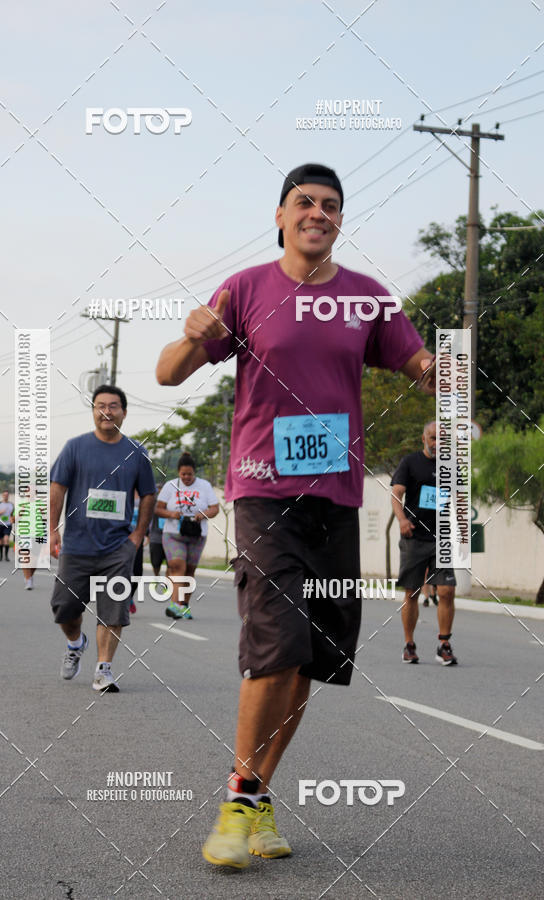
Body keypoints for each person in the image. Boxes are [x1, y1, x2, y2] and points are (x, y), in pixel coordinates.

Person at [156, 162, 436, 869]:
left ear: (341, 219)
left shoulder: (366, 299)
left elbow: (422, 368)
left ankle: (256, 796)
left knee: (309, 657)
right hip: (263, 492)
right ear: (280, 216)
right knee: (276, 643)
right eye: (304, 202)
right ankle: (238, 801)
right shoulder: (246, 289)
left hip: (336, 499)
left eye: (331, 205)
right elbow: (168, 373)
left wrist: (453, 375)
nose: (318, 213)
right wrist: (191, 335)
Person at [49, 385, 155, 692]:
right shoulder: (75, 447)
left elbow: (149, 494)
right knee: (64, 608)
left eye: (113, 406)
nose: (106, 411)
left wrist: (138, 535)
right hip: (77, 545)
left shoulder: (136, 452)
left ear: (124, 412)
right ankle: (75, 643)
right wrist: (53, 529)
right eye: (100, 406)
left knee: (113, 610)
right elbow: (57, 488)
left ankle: (103, 670)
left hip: (118, 547)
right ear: (93, 410)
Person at [391, 421, 457, 665]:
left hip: (441, 538)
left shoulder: (451, 466)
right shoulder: (410, 462)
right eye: (433, 438)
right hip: (415, 537)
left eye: (442, 439)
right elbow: (396, 493)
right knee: (412, 592)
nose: (437, 443)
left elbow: (458, 498)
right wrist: (402, 520)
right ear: (424, 439)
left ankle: (444, 644)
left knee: (447, 591)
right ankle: (409, 644)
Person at [155, 453, 219, 619]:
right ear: (178, 472)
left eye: (189, 474)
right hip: (173, 533)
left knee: (190, 571)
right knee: (177, 566)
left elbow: (215, 508)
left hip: (197, 534)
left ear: (194, 472)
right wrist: (171, 514)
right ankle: (175, 604)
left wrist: (202, 515)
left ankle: (184, 606)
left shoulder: (204, 486)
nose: (186, 477)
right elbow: (158, 508)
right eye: (183, 474)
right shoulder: (170, 486)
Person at [0, 490, 14, 562]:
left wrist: (12, 520)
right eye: (4, 495)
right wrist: (1, 512)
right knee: (0, 541)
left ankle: (6, 556)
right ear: (2, 496)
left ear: (8, 496)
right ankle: (1, 556)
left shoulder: (11, 504)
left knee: (6, 539)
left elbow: (13, 515)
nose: (6, 496)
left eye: (7, 495)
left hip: (8, 525)